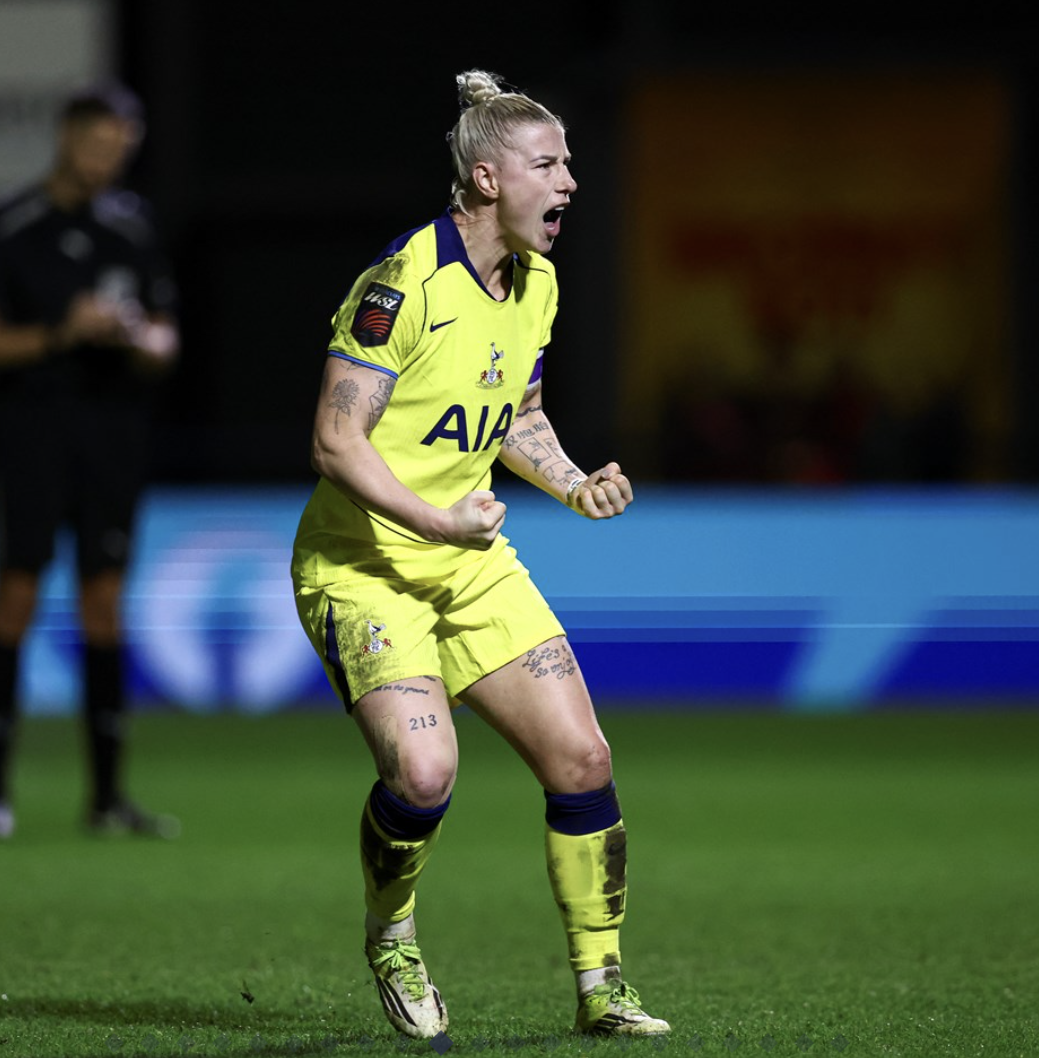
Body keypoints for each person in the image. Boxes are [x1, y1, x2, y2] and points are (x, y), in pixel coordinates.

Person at [290, 70, 669, 1039]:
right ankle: (391, 932)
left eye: (570, 161)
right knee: (423, 776)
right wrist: (431, 518)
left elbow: (518, 412)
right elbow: (335, 443)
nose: (571, 181)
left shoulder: (534, 280)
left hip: (466, 559)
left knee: (581, 756)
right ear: (489, 178)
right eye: (550, 163)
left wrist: (573, 480)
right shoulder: (400, 284)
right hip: (364, 563)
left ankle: (601, 985)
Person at [0, 82, 181, 840]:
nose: (110, 157)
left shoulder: (133, 225)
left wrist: (139, 340)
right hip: (31, 432)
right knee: (15, 594)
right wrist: (62, 332)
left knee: (104, 604)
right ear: (68, 138)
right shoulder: (9, 224)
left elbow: (165, 337)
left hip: (112, 435)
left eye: (123, 146)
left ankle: (108, 799)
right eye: (99, 142)